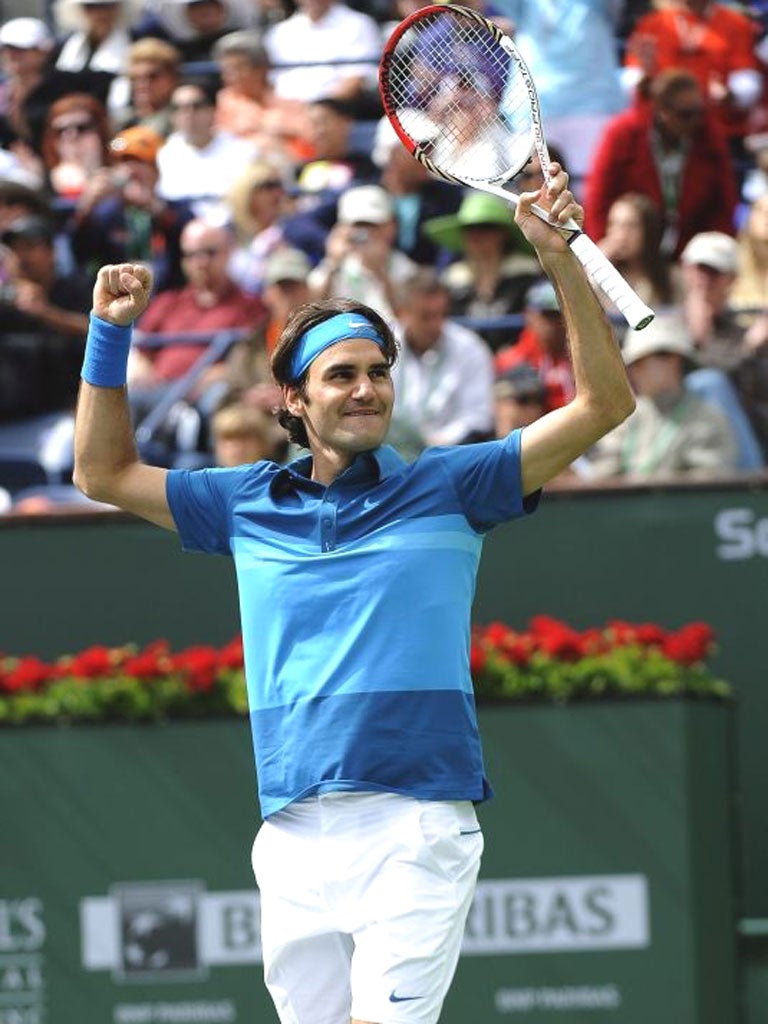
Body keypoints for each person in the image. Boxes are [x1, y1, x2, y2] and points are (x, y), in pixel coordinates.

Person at [72, 162, 635, 1024]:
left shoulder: (457, 483)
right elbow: (101, 471)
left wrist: (559, 260)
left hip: (415, 826)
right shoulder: (243, 501)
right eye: (340, 375)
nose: (365, 388)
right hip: (292, 833)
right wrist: (109, 333)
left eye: (377, 371)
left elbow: (603, 405)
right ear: (293, 398)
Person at [583, 68, 738, 258]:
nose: (696, 121)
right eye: (685, 114)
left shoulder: (710, 137)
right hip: (629, 251)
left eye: (700, 112)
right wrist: (604, 255)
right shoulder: (622, 134)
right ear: (662, 112)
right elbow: (598, 199)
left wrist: (711, 258)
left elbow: (723, 205)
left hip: (688, 253)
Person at [581, 312, 739, 479]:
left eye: (640, 362)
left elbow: (708, 487)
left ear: (673, 359)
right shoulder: (628, 417)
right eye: (632, 365)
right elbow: (602, 474)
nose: (633, 372)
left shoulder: (707, 419)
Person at [386, 269, 496, 459]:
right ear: (401, 313)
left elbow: (478, 417)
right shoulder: (379, 347)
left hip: (449, 457)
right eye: (426, 316)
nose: (436, 324)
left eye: (441, 314)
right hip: (386, 453)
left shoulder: (471, 348)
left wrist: (437, 444)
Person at [423, 192, 541, 350]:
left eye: (485, 227)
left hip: (518, 363)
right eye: (469, 228)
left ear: (503, 234)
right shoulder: (451, 281)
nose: (476, 236)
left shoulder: (527, 274)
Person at [308, 184, 418, 321]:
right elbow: (312, 311)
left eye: (372, 225)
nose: (365, 232)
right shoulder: (333, 265)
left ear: (390, 226)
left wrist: (380, 273)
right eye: (358, 225)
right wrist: (333, 263)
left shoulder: (404, 268)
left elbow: (406, 319)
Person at [156, 79, 259, 215]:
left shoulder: (242, 152)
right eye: (178, 108)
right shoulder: (163, 154)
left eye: (196, 106)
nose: (188, 114)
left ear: (212, 109)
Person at [212, 30, 314, 164]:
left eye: (238, 68)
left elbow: (310, 135)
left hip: (293, 165)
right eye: (226, 70)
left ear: (261, 68)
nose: (231, 76)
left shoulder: (288, 94)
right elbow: (219, 140)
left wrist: (283, 128)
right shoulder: (224, 100)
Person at [264, 0, 382, 111]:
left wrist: (313, 112)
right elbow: (270, 86)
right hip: (285, 114)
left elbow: (353, 83)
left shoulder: (359, 24)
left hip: (334, 113)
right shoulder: (278, 32)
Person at [494, 279, 575, 412]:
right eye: (548, 316)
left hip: (584, 426)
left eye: (561, 315)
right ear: (529, 316)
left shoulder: (583, 356)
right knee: (509, 405)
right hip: (536, 428)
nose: (557, 323)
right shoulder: (510, 360)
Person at [117, 37, 182, 138]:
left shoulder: (185, 119)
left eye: (152, 76)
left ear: (173, 79)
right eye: (134, 78)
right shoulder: (123, 122)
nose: (142, 84)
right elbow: (115, 148)